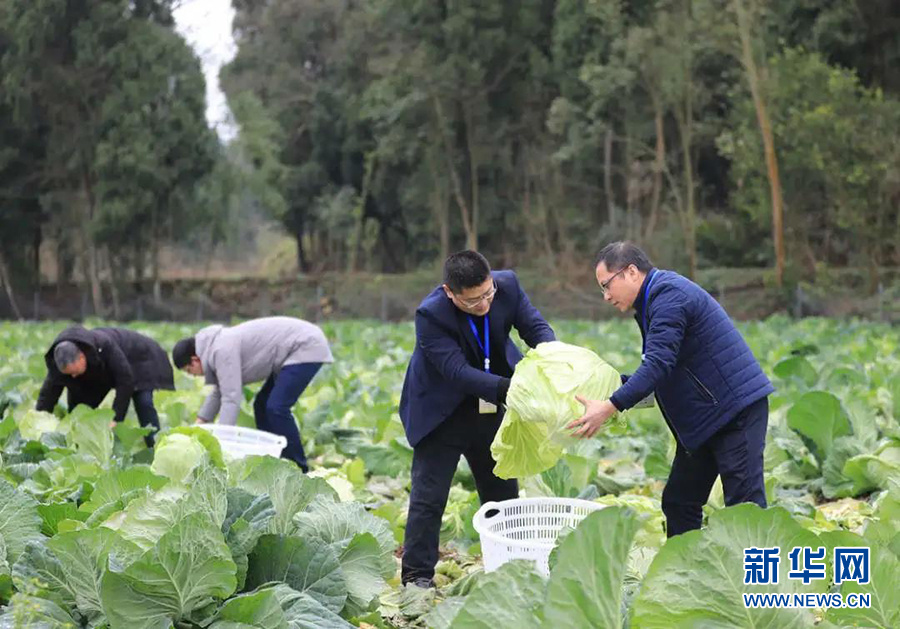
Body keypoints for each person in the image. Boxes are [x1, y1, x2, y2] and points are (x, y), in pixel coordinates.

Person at [569, 242, 774, 537]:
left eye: (607, 286)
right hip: (706, 419)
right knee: (679, 502)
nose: (606, 297)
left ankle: (760, 583)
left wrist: (611, 405)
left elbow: (658, 365)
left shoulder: (668, 295)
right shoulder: (652, 300)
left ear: (630, 272)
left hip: (734, 413)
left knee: (745, 510)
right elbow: (662, 369)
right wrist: (605, 390)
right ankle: (685, 575)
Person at [399, 250, 556, 588]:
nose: (483, 304)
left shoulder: (507, 285)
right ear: (449, 292)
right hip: (441, 413)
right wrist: (513, 389)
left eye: (487, 294)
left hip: (491, 408)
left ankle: (511, 570)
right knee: (429, 497)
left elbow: (535, 327)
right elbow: (456, 372)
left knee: (502, 492)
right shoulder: (431, 314)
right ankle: (417, 578)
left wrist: (555, 359)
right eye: (471, 302)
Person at [172, 316, 333, 472]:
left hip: (305, 346)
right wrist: (200, 423)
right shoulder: (215, 347)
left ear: (195, 360)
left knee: (276, 407)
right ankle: (274, 460)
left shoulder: (221, 349)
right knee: (261, 405)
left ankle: (298, 468)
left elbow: (231, 397)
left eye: (189, 370)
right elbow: (220, 390)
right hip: (291, 351)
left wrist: (221, 443)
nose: (193, 375)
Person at [36, 325, 174, 447]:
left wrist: (116, 418)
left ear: (82, 358)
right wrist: (39, 421)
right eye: (69, 374)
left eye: (75, 371)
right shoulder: (62, 365)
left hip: (140, 359)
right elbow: (48, 394)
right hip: (105, 370)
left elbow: (125, 381)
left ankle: (154, 445)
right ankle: (81, 449)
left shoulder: (104, 345)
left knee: (143, 402)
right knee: (80, 410)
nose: (73, 376)